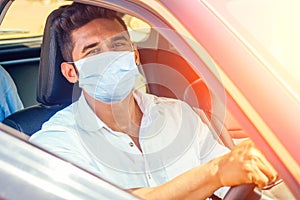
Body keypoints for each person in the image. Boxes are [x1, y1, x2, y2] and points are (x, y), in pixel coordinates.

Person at [29, 3, 278, 199]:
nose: (111, 58)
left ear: (134, 56)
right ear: (71, 72)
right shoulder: (54, 143)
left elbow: (236, 181)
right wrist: (215, 173)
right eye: (93, 51)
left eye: (118, 45)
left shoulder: (180, 115)